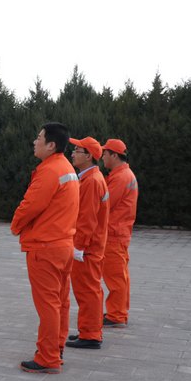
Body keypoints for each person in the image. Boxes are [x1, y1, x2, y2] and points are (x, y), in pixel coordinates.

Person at [11, 122, 80, 374]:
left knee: (48, 304)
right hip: (63, 244)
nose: (34, 141)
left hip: (46, 246)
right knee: (60, 302)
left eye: (38, 137)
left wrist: (15, 226)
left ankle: (48, 357)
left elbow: (31, 205)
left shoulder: (50, 170)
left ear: (51, 145)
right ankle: (56, 348)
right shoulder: (66, 167)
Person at [64, 137, 109, 350]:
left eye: (77, 150)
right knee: (89, 290)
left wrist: (78, 247)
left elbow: (87, 219)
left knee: (87, 291)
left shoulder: (91, 181)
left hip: (88, 248)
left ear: (89, 156)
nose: (72, 154)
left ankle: (91, 335)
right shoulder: (91, 178)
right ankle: (88, 330)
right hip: (92, 245)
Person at [100, 138, 138, 328]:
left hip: (114, 233)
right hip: (118, 232)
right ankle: (118, 311)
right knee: (120, 275)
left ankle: (116, 314)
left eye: (105, 154)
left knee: (115, 276)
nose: (102, 157)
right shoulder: (123, 174)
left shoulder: (121, 177)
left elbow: (105, 204)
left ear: (114, 155)